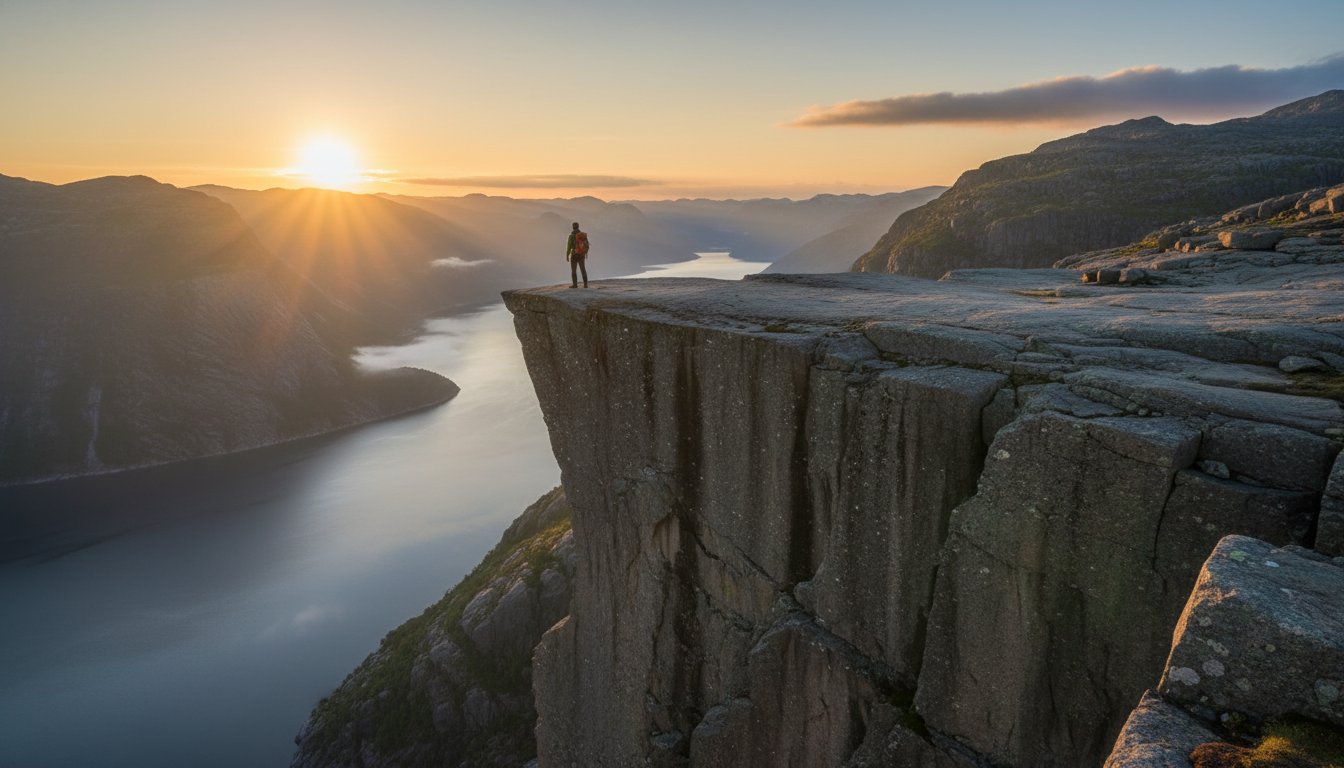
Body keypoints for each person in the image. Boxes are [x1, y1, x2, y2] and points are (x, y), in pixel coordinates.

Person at [565, 221, 589, 288]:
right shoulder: (582, 235)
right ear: (578, 226)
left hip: (574, 255)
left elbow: (569, 246)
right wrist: (585, 253)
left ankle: (575, 285)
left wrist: (567, 255)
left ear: (573, 227)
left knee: (573, 270)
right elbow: (586, 245)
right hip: (581, 255)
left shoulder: (571, 236)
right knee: (583, 269)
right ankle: (585, 284)